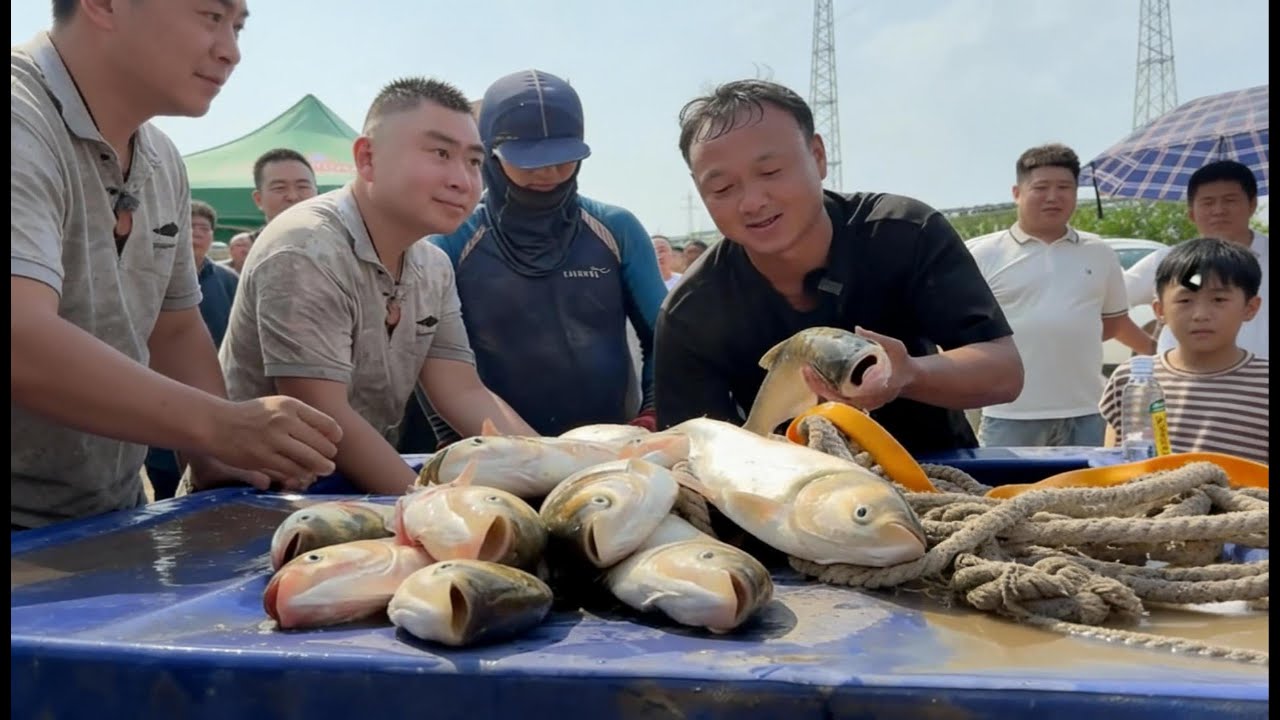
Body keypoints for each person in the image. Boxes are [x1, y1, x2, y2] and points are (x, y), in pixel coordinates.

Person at [12, 0, 341, 530]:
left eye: (237, 26)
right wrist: (219, 425)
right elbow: (19, 338)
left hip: (106, 519)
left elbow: (174, 327)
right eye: (210, 16)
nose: (231, 51)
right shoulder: (19, 113)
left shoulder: (162, 160)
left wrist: (216, 456)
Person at [655, 79, 1023, 454]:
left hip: (938, 473)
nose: (752, 202)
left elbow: (1003, 372)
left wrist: (908, 375)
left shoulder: (905, 233)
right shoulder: (691, 311)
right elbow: (697, 449)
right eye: (722, 189)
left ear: (817, 156)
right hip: (789, 492)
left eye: (770, 172)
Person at [219, 76, 536, 495]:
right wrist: (429, 508)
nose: (463, 180)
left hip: (361, 490)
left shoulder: (433, 265)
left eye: (475, 161)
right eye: (440, 153)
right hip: (255, 501)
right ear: (367, 158)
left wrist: (553, 467)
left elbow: (462, 390)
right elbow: (322, 410)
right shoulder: (305, 246)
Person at [428, 69, 668, 441]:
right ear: (489, 151)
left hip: (607, 450)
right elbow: (431, 359)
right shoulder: (452, 240)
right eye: (528, 160)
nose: (549, 173)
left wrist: (652, 414)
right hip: (492, 451)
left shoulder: (616, 229)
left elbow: (666, 338)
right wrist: (458, 444)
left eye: (563, 158)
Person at [967, 143, 1156, 448]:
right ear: (1017, 192)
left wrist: (1159, 355)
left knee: (1090, 495)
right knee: (1002, 495)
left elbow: (1114, 323)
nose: (1053, 197)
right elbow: (963, 334)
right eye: (1041, 187)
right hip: (1009, 414)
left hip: (1087, 413)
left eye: (1064, 187)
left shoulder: (1100, 252)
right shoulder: (983, 254)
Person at [1100, 238, 1267, 463]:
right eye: (1185, 300)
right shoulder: (1132, 380)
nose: (1200, 314)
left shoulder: (1263, 382)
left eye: (1218, 299)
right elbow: (1111, 464)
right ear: (1160, 310)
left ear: (1250, 308)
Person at [145, 200, 243, 499]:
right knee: (166, 491)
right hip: (161, 403)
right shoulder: (152, 278)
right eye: (191, 226)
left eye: (205, 228)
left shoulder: (228, 280)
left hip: (216, 395)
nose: (198, 233)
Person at [1123, 160, 1268, 359]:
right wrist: (1150, 348)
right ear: (1191, 212)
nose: (1218, 210)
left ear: (1252, 205)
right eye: (1208, 202)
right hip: (1181, 385)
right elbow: (1108, 303)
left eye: (1230, 200)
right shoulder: (1168, 261)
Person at [252, 147, 318, 226]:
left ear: (318, 194)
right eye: (280, 188)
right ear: (258, 200)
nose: (293, 196)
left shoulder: (335, 236)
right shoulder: (255, 238)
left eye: (302, 186)